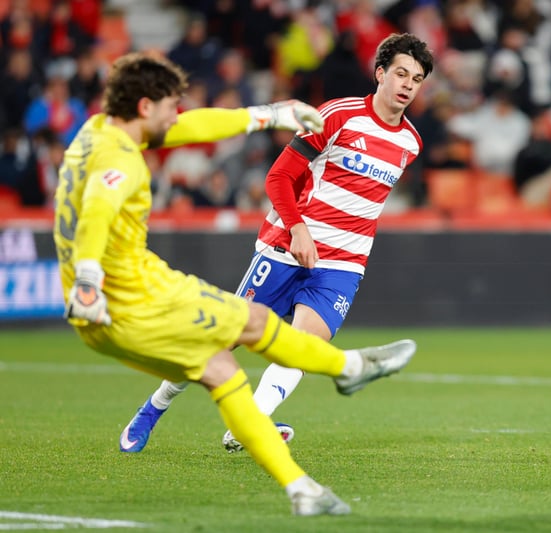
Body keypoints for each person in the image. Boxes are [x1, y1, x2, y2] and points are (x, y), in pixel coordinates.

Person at [53, 51, 417, 517]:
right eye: (171, 107)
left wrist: (268, 115)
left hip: (144, 290)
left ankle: (301, 488)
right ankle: (347, 369)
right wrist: (87, 280)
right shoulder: (121, 160)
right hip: (133, 295)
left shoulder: (100, 131)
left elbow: (194, 126)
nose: (177, 116)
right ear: (145, 107)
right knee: (233, 337)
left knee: (227, 363)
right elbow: (98, 211)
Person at [119, 33, 434, 453]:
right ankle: (153, 408)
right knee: (221, 339)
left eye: (416, 79)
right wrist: (299, 229)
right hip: (287, 247)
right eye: (400, 73)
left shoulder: (411, 143)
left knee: (303, 347)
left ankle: (249, 425)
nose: (408, 85)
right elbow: (279, 177)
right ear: (380, 73)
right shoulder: (336, 116)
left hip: (344, 264)